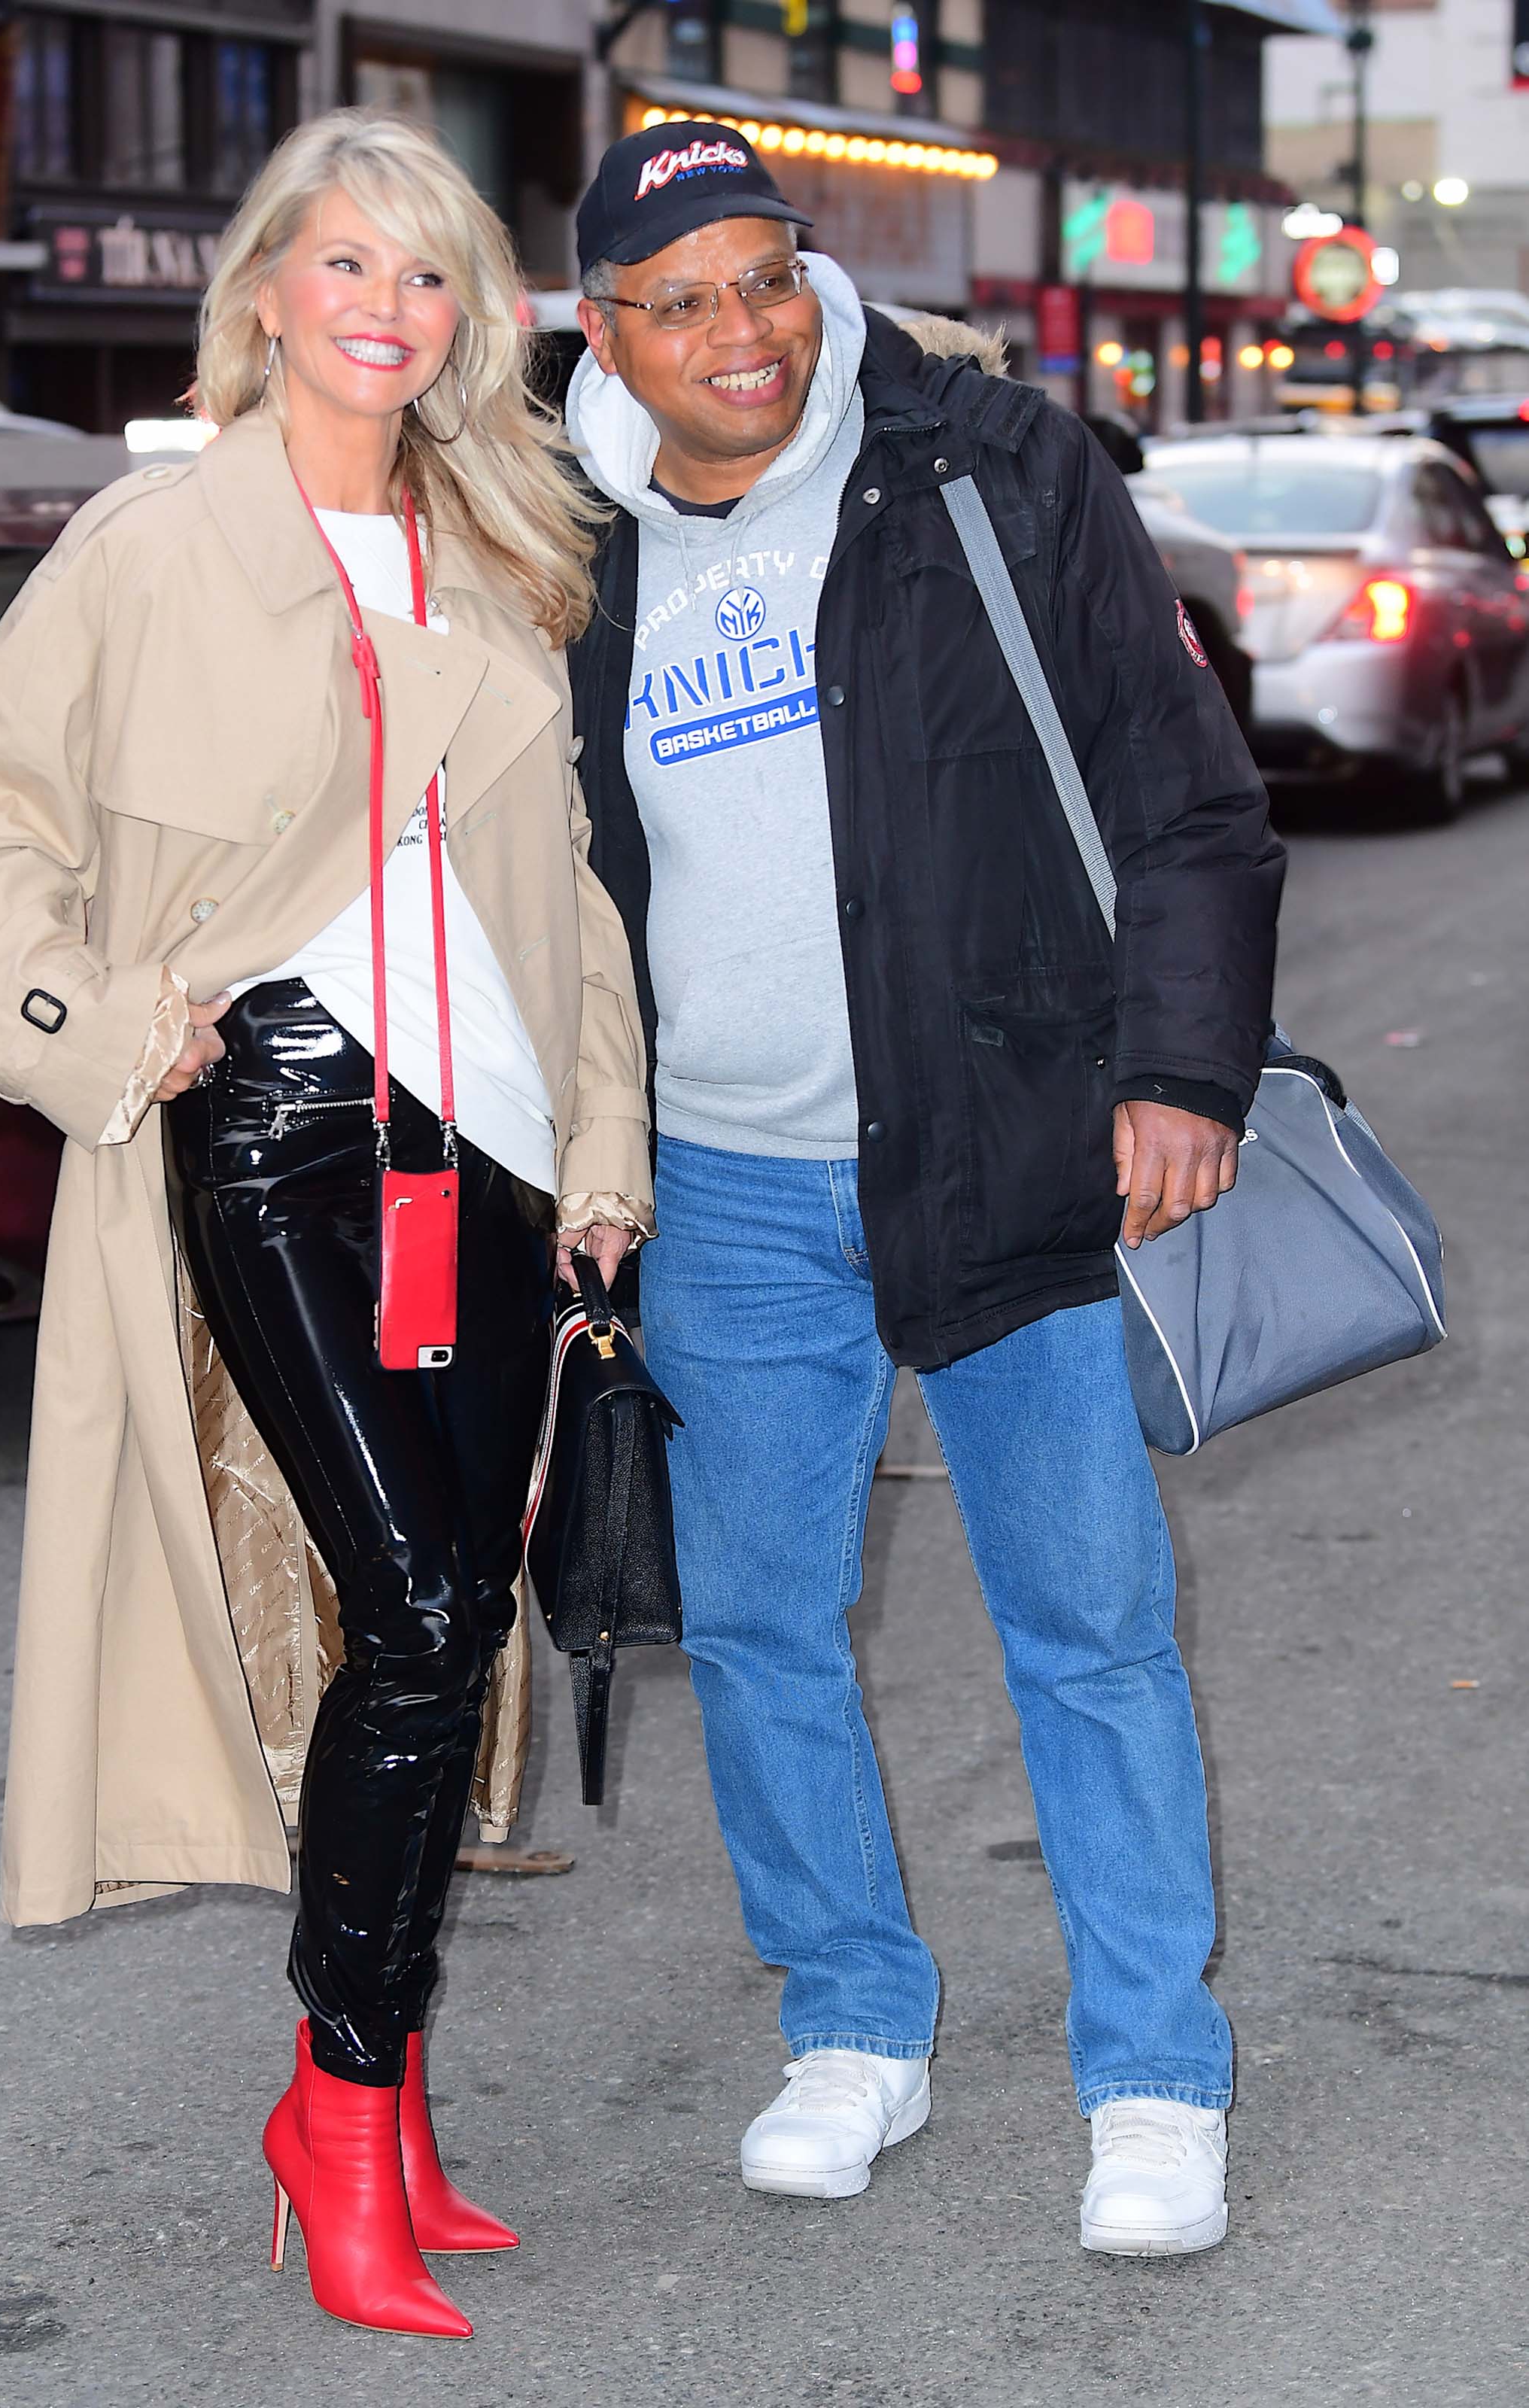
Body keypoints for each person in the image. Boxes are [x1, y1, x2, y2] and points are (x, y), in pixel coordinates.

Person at [0, 110, 652, 2340]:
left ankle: (389, 2096)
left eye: (429, 281)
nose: (388, 313)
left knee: (446, 1621)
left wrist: (601, 1144)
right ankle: (333, 2119)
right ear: (264, 294)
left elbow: (571, 899)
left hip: (496, 1145)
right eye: (348, 267)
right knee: (420, 1603)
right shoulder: (154, 545)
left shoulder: (503, 549)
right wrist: (106, 1015)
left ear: (465, 323)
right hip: (279, 1129)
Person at [565, 121, 1284, 2255]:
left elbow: (1190, 796)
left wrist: (1177, 1068)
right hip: (720, 1186)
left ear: (815, 278)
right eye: (681, 297)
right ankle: (855, 2023)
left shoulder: (981, 462)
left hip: (1013, 1150)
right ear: (605, 332)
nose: (742, 330)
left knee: (1090, 1630)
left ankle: (1155, 2076)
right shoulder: (554, 532)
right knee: (771, 1627)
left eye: (766, 276)